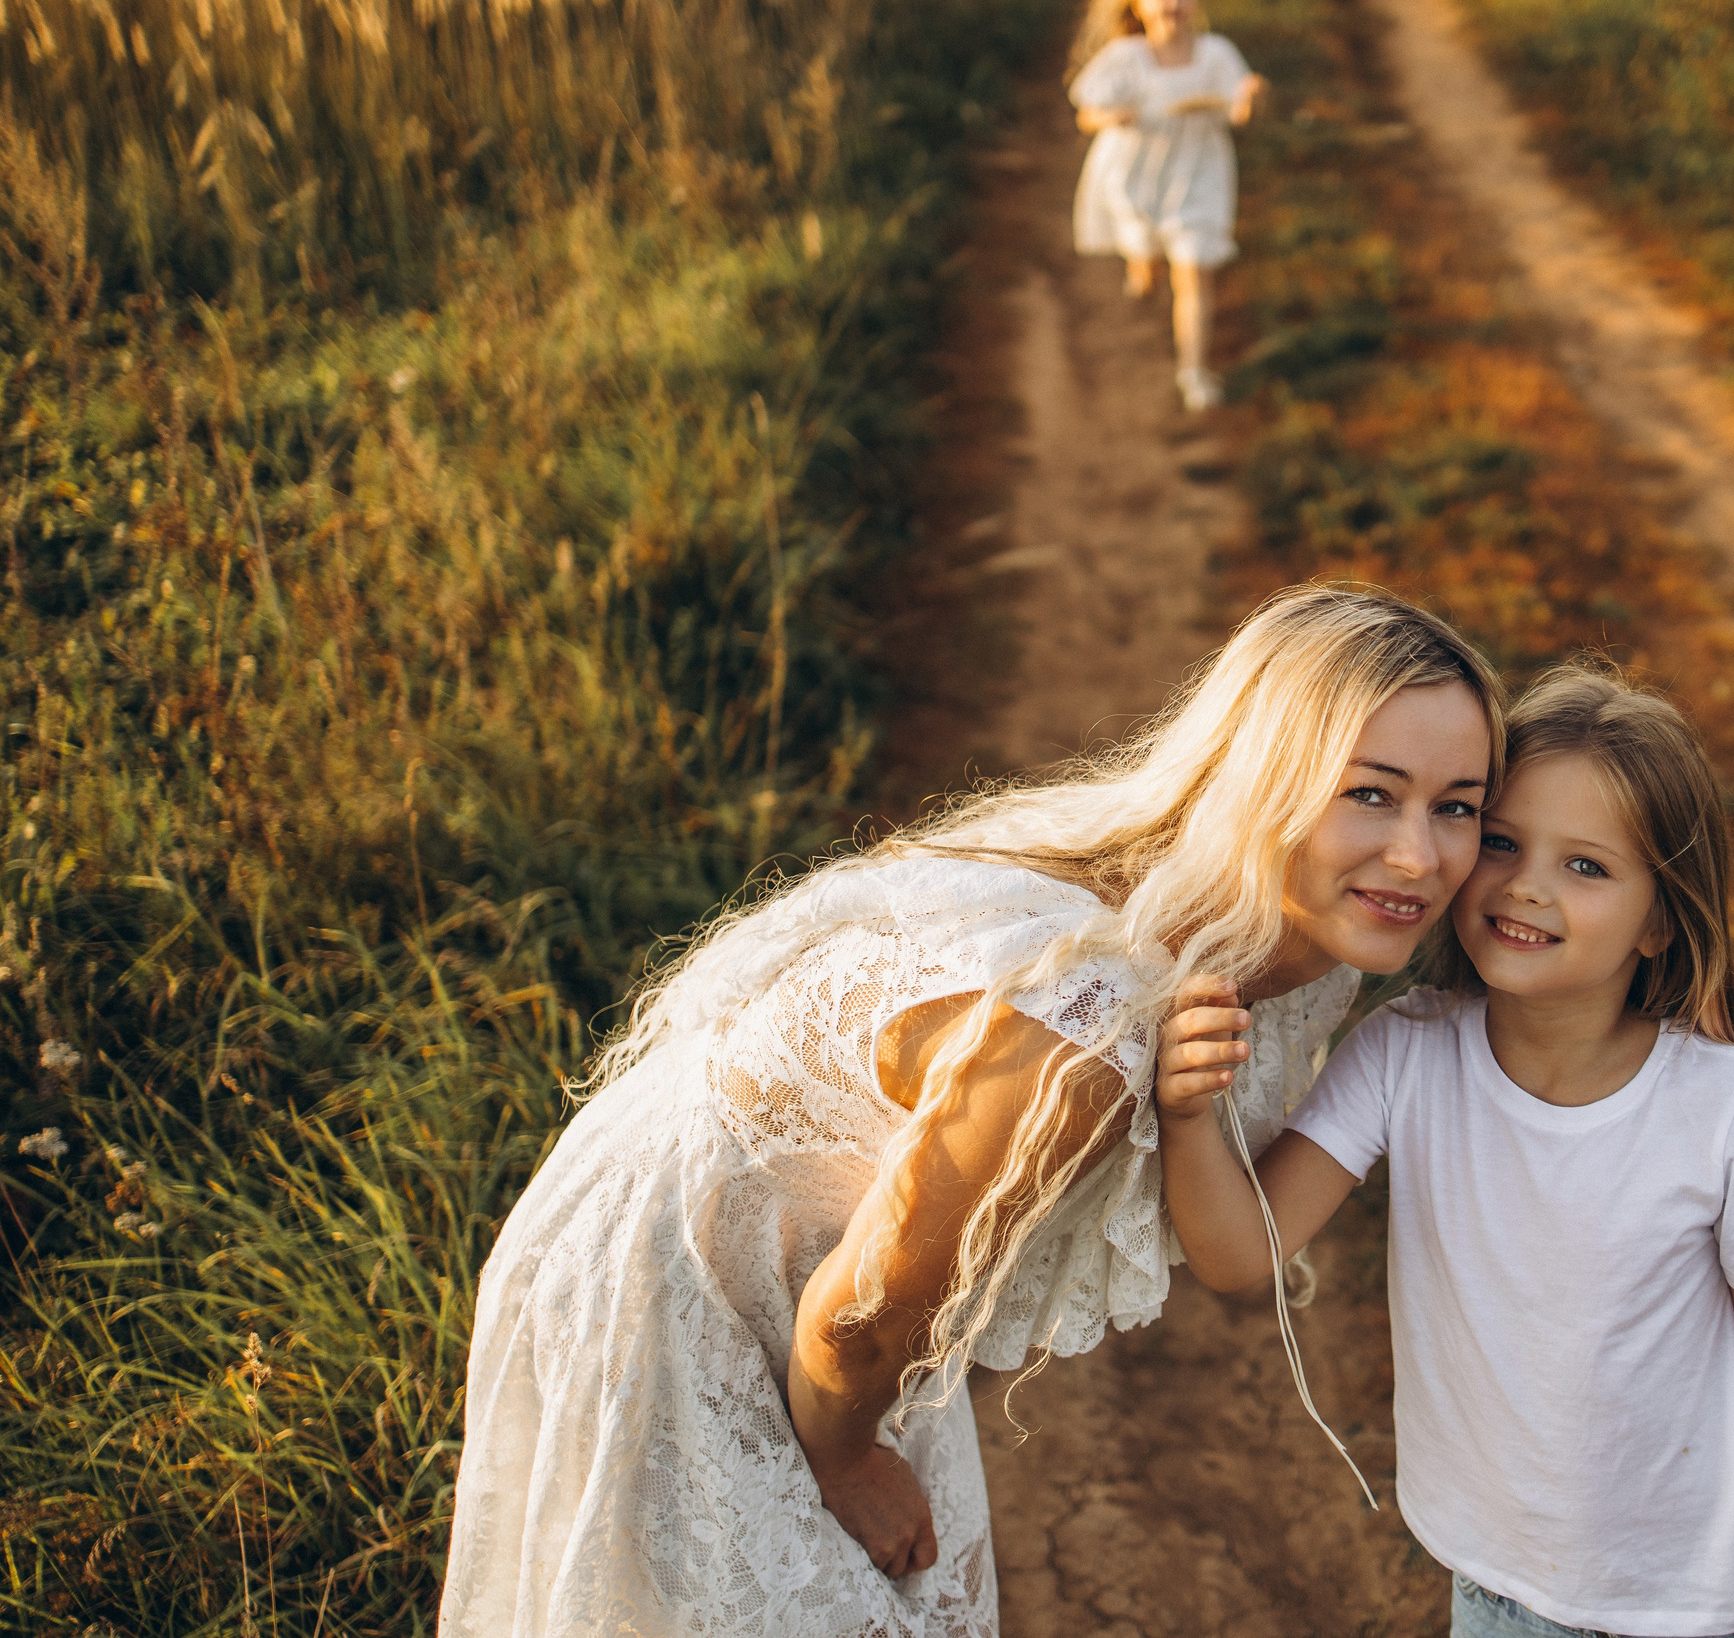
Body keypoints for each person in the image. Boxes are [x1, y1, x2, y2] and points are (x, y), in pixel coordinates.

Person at [439, 585, 1502, 1637]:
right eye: (1370, 794)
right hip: (676, 1293)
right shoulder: (1084, 1040)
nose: (1419, 857)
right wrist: (846, 1462)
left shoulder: (1280, 923)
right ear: (1260, 779)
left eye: (1457, 805)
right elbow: (859, 1323)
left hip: (824, 1284)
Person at [1157, 665, 1734, 1638]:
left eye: (1586, 866)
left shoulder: (1723, 1109)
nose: (1526, 884)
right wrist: (1188, 1116)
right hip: (1502, 1593)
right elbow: (1239, 1253)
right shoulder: (1404, 1055)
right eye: (1503, 842)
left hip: (1713, 1602)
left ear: (1659, 919)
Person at [1067, 0, 1267, 412]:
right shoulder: (1124, 56)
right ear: (1140, 5)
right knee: (1148, 257)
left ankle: (1193, 371)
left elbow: (1240, 109)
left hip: (1198, 172)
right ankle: (1143, 263)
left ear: (1197, 0)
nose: (1174, 3)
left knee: (1193, 271)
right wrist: (1110, 116)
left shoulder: (1217, 54)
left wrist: (1253, 98)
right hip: (1136, 176)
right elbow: (1086, 113)